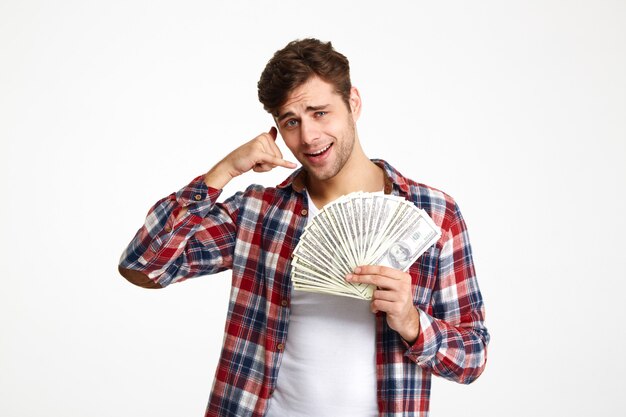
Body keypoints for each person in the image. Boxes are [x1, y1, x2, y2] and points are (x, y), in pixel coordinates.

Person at [119, 38, 489, 417]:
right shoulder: (257, 213)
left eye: (320, 113)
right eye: (291, 121)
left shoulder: (434, 214)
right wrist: (223, 171)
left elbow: (472, 357)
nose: (308, 137)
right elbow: (144, 266)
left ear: (353, 104)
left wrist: (412, 322)